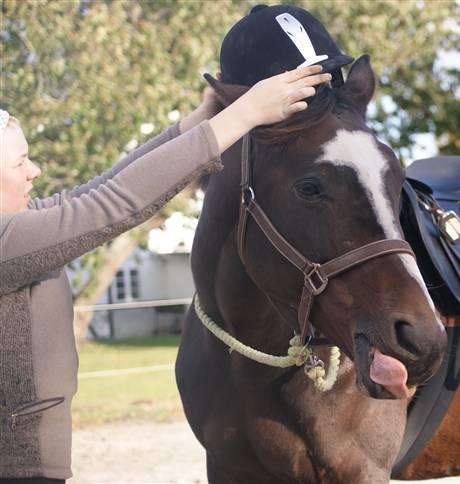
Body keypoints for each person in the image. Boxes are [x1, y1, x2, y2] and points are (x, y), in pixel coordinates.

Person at [0, 65, 331, 483]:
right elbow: (114, 204)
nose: (35, 172)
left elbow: (104, 186)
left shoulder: (16, 227)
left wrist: (197, 122)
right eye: (21, 161)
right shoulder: (6, 244)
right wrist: (244, 115)